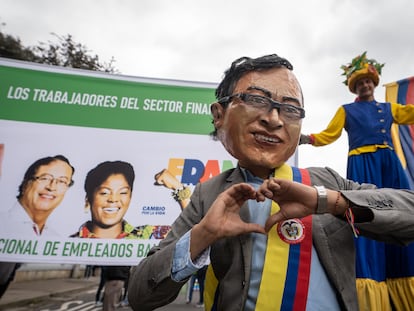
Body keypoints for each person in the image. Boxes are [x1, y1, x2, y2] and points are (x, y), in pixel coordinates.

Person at [127, 53, 414, 311]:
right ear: (219, 115)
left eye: (290, 109)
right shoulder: (207, 195)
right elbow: (140, 295)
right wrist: (202, 236)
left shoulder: (326, 181)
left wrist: (328, 201)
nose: (274, 119)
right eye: (256, 100)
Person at [300, 52, 414, 310]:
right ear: (355, 86)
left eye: (368, 82)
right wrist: (307, 138)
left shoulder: (389, 109)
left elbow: (411, 113)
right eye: (360, 83)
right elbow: (329, 135)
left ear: (374, 83)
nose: (365, 86)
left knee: (398, 213)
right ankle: (370, 291)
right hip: (363, 165)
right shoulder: (346, 110)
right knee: (365, 214)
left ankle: (402, 285)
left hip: (388, 164)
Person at [71, 160, 170, 239]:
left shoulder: (147, 236)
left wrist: (179, 189)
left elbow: (183, 237)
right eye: (104, 193)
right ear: (88, 199)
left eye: (122, 192)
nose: (113, 199)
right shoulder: (69, 244)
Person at [0, 154, 75, 237]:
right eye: (45, 178)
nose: (51, 187)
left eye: (62, 181)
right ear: (26, 183)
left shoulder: (55, 239)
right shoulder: (2, 225)